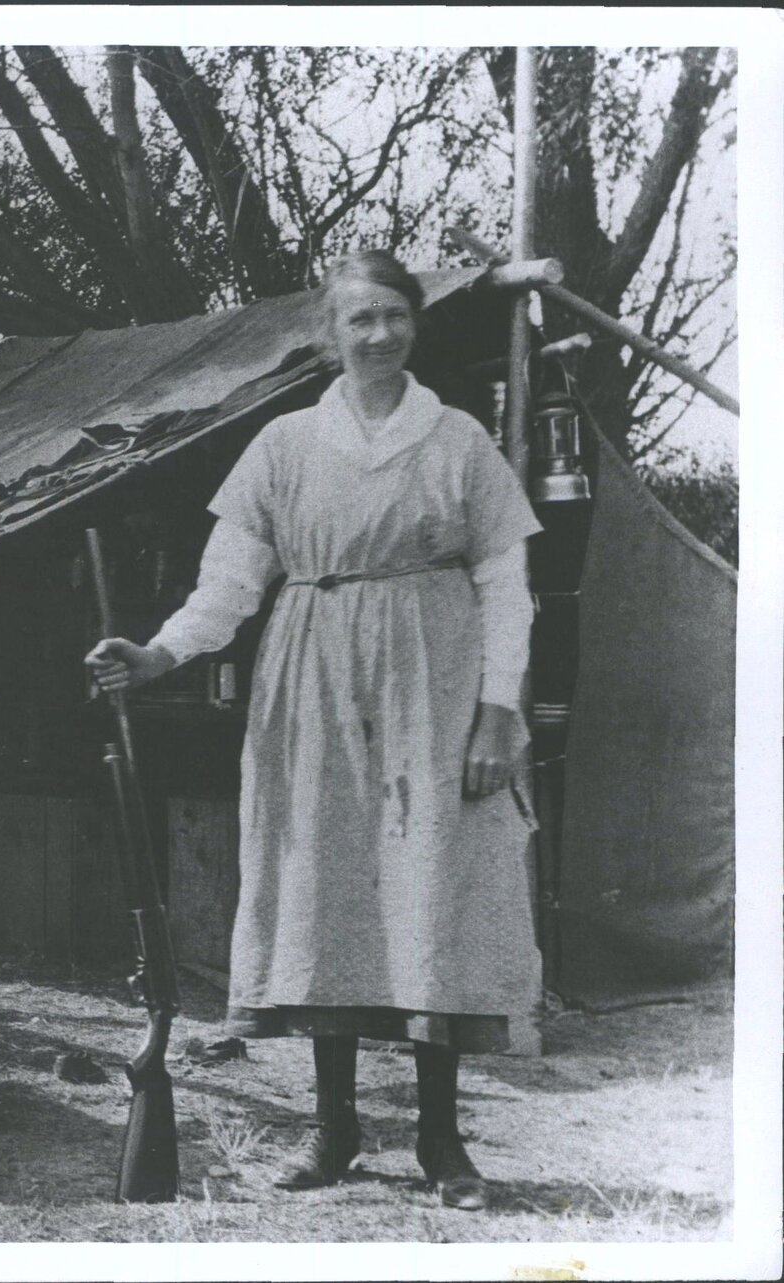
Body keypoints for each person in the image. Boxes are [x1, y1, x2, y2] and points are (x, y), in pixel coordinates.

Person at [85, 250, 542, 1211]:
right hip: (312, 681)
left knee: (432, 890)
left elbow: (507, 586)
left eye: (392, 316)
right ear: (326, 335)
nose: (376, 334)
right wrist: (159, 654)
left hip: (435, 680)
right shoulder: (283, 447)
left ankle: (439, 1141)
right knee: (324, 881)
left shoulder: (458, 441)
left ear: (414, 323)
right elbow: (227, 586)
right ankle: (332, 1129)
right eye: (356, 320)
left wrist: (498, 712)